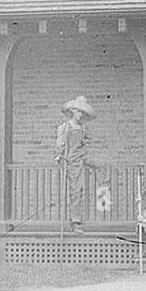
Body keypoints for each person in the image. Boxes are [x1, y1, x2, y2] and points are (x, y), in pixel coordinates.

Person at [54, 95, 96, 234]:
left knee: (79, 191)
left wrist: (85, 148)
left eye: (83, 113)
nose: (81, 115)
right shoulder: (65, 127)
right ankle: (72, 221)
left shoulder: (82, 128)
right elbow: (60, 145)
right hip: (69, 162)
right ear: (73, 111)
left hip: (80, 161)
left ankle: (77, 220)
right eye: (79, 112)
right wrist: (60, 155)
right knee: (72, 191)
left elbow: (84, 143)